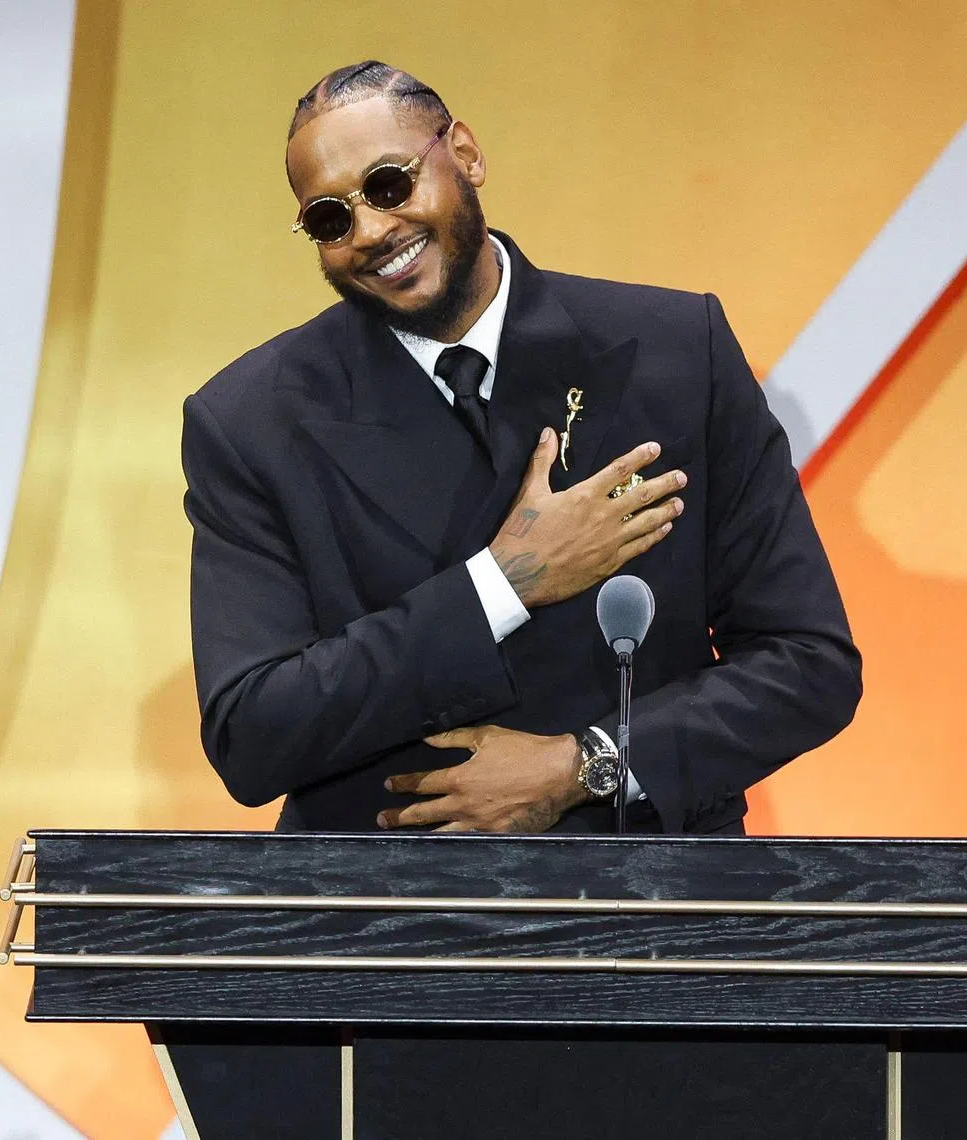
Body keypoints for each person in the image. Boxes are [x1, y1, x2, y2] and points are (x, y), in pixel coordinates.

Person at [182, 60, 862, 838]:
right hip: (387, 928)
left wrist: (588, 765)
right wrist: (501, 586)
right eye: (332, 219)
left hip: (650, 918)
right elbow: (251, 734)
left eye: (390, 185)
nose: (371, 231)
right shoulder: (249, 421)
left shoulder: (676, 352)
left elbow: (808, 664)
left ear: (465, 153)